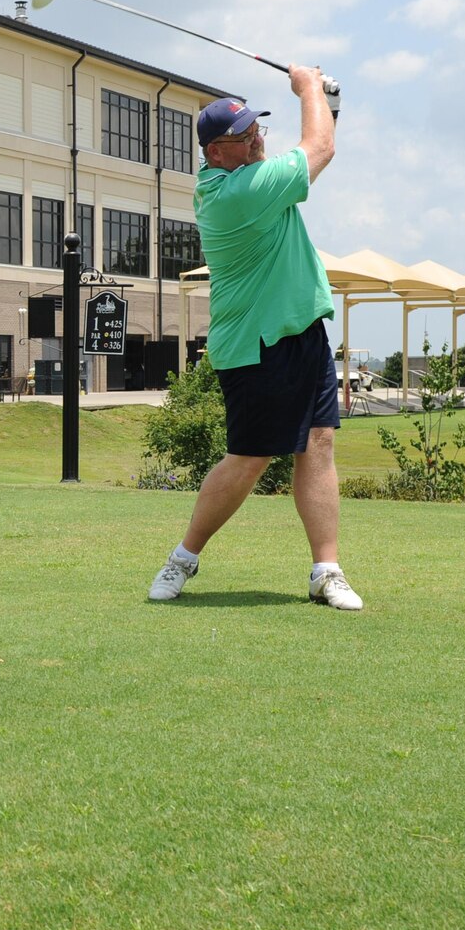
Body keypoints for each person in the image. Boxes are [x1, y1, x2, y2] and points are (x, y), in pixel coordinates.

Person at [149, 69, 363, 610]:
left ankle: (326, 569)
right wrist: (308, 87)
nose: (257, 141)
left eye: (257, 131)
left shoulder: (255, 175)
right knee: (251, 457)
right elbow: (320, 147)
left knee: (318, 444)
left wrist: (327, 100)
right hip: (255, 344)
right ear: (215, 153)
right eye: (244, 139)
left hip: (300, 330)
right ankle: (183, 557)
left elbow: (318, 142)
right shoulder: (238, 193)